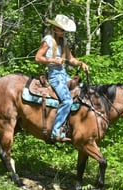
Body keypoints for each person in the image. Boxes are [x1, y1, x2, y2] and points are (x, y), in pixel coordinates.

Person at [35, 14, 89, 142]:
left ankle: (74, 126)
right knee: (67, 101)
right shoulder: (48, 40)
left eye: (65, 30)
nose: (64, 32)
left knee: (80, 94)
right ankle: (56, 131)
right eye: (62, 29)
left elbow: (71, 59)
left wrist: (81, 63)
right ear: (55, 28)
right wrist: (54, 60)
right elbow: (38, 57)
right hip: (54, 75)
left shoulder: (63, 42)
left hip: (63, 74)